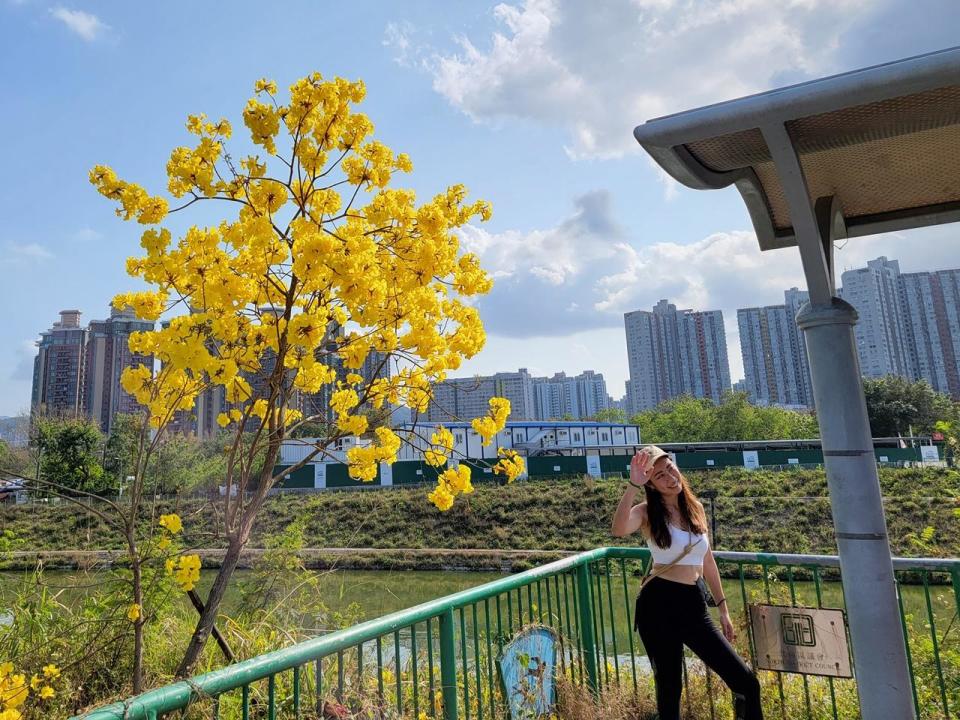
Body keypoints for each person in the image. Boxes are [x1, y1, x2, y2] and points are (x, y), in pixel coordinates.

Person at [611, 445, 763, 720]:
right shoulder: (646, 513)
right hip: (658, 605)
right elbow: (619, 529)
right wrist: (633, 485)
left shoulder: (696, 509)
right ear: (652, 485)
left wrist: (723, 608)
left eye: (670, 469)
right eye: (659, 476)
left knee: (746, 682)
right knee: (669, 690)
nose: (670, 477)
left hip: (693, 602)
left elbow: (707, 562)